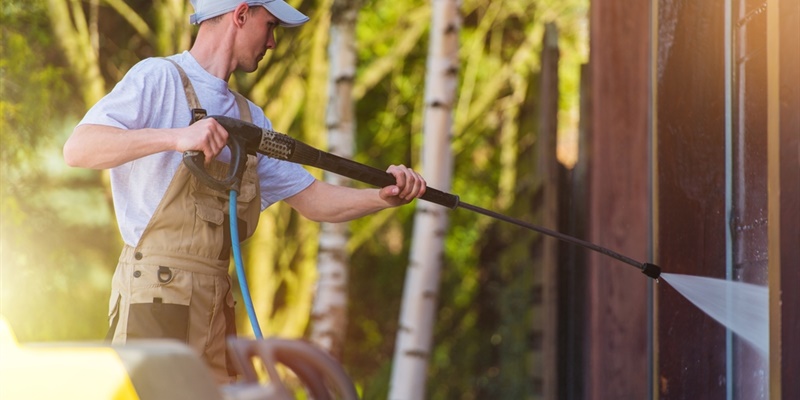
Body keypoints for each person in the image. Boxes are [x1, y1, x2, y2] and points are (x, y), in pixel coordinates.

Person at [63, 0, 426, 383]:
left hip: (217, 305)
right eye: (269, 25)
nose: (272, 42)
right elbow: (79, 148)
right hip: (157, 297)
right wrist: (176, 137)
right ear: (240, 14)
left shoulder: (251, 121)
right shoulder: (159, 77)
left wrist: (382, 198)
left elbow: (314, 200)